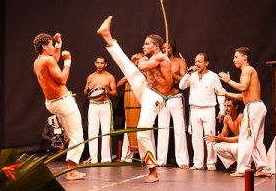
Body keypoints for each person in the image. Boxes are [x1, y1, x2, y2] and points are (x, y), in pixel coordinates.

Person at [97, 16, 173, 183]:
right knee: (127, 67)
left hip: (155, 98)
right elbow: (139, 68)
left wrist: (139, 59)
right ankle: (107, 37)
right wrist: (137, 61)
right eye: (144, 44)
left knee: (141, 133)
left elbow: (142, 66)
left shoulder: (161, 58)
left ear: (156, 46)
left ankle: (153, 171)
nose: (143, 46)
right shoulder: (154, 58)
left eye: (147, 44)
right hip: (147, 89)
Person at [33, 33, 86, 180]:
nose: (52, 47)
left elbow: (54, 61)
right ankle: (71, 171)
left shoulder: (38, 61)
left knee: (72, 134)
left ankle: (71, 169)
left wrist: (58, 44)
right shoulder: (47, 60)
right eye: (50, 44)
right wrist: (68, 62)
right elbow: (62, 79)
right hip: (63, 101)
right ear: (44, 46)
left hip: (51, 103)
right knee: (77, 136)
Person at [216, 47, 272, 177]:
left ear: (244, 57)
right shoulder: (247, 71)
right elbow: (244, 95)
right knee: (256, 139)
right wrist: (226, 93)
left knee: (245, 138)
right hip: (254, 106)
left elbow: (243, 87)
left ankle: (242, 169)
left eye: (236, 57)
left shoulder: (247, 69)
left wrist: (228, 81)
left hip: (254, 107)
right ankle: (264, 168)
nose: (234, 60)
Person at [179, 52, 225, 171]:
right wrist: (188, 73)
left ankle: (211, 163)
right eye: (195, 61)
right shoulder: (192, 76)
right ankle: (198, 163)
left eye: (199, 61)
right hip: (194, 109)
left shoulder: (213, 76)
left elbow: (220, 93)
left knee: (210, 137)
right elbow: (181, 86)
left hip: (208, 110)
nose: (197, 63)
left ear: (206, 63)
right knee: (196, 138)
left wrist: (222, 109)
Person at [157, 40, 189, 169]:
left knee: (179, 130)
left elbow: (185, 81)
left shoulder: (180, 62)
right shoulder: (158, 62)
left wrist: (172, 73)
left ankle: (182, 160)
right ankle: (160, 160)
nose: (165, 50)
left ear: (172, 48)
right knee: (162, 130)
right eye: (163, 48)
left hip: (176, 98)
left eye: (168, 48)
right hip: (163, 98)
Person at [83, 55, 117, 163]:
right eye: (98, 63)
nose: (99, 65)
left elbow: (115, 92)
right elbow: (85, 93)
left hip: (105, 104)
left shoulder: (109, 77)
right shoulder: (91, 77)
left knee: (106, 132)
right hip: (93, 105)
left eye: (102, 63)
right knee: (92, 132)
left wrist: (106, 92)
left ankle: (105, 158)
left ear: (105, 64)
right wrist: (88, 88)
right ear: (95, 63)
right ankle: (93, 159)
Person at [204, 97, 242, 170]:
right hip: (239, 144)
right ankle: (240, 163)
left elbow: (241, 138)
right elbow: (223, 136)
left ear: (236, 107)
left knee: (235, 148)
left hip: (248, 145)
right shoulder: (227, 118)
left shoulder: (241, 117)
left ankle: (245, 166)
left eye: (229, 106)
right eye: (225, 106)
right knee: (216, 146)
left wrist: (222, 138)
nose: (225, 109)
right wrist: (215, 138)